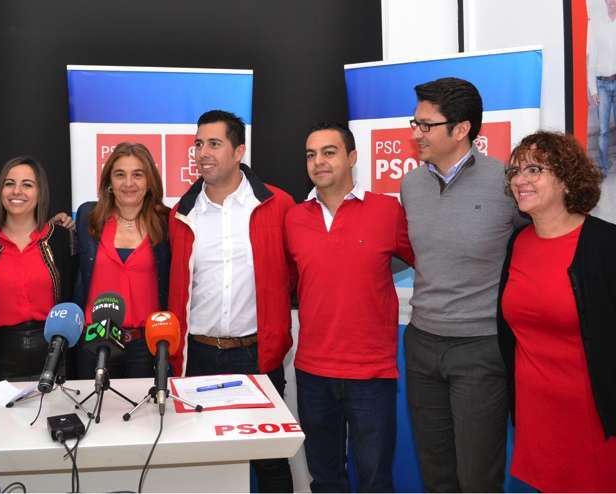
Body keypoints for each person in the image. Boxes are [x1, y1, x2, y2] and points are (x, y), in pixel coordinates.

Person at [399, 77, 528, 492]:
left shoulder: (507, 182)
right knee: (436, 473)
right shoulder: (411, 185)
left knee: (477, 478)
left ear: (461, 129)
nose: (416, 133)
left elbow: (539, 244)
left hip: (480, 349)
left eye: (426, 125)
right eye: (415, 123)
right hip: (422, 344)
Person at [168, 109, 295, 492]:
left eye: (214, 144)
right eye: (198, 144)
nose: (202, 153)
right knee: (202, 465)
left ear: (239, 151)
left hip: (256, 356)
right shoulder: (181, 214)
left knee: (271, 463)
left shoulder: (277, 205)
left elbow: (298, 272)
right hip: (198, 357)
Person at [285, 122, 414, 492]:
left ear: (352, 157)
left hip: (371, 374)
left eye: (329, 152)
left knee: (375, 481)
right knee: (325, 481)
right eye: (311, 154)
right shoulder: (294, 218)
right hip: (313, 372)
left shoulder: (387, 210)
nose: (318, 161)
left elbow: (424, 261)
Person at [497, 131, 616, 492]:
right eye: (515, 171)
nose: (520, 179)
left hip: (595, 418)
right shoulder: (518, 243)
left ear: (565, 179)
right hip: (536, 415)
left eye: (534, 170)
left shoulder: (606, 245)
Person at [73, 142, 170, 379]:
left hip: (146, 346)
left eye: (137, 174)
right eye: (120, 174)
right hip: (94, 341)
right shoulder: (88, 217)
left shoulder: (166, 223)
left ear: (150, 182)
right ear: (109, 182)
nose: (128, 183)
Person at [0, 156, 77, 382]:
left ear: (40, 193)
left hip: (54, 356)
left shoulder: (62, 240)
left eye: (27, 185)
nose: (17, 191)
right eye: (9, 183)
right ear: (0, 190)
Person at [587, 0, 616, 176]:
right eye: (609, 0)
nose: (612, 3)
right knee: (603, 130)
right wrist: (593, 89)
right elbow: (592, 60)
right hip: (602, 85)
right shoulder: (598, 26)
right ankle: (603, 166)